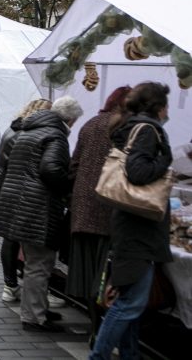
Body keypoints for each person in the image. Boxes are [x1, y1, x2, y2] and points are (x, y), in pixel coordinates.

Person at [89, 82, 172, 360]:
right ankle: (98, 356)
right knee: (130, 304)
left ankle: (130, 354)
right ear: (159, 107)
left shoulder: (129, 126)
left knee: (131, 302)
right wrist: (166, 163)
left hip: (129, 226)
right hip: (139, 230)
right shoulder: (148, 130)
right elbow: (138, 172)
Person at [0, 96, 83, 333]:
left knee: (35, 261)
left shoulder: (28, 130)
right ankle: (34, 317)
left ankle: (37, 309)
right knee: (39, 263)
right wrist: (68, 185)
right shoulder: (55, 135)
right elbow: (51, 169)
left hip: (19, 203)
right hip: (37, 207)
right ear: (71, 119)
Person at [67, 86, 130, 337]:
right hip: (108, 209)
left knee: (88, 274)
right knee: (104, 275)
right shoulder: (124, 128)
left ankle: (94, 327)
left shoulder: (90, 124)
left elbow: (75, 164)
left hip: (83, 207)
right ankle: (101, 332)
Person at [0, 98, 53, 303]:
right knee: (15, 238)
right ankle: (14, 285)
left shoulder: (15, 128)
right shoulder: (25, 134)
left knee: (11, 238)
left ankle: (11, 284)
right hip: (10, 187)